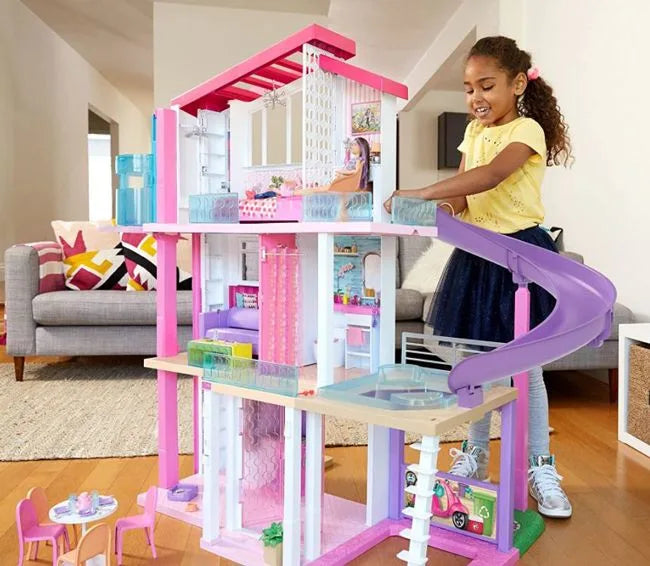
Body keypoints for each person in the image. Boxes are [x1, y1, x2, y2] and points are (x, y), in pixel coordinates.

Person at [384, 36, 573, 518]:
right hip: (478, 256)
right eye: (468, 89)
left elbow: (490, 176)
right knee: (477, 362)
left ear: (517, 84)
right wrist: (437, 211)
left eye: (486, 86)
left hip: (522, 257)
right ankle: (475, 454)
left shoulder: (527, 130)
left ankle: (540, 466)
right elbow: (465, 196)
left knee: (526, 368)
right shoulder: (472, 132)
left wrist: (421, 191)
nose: (476, 98)